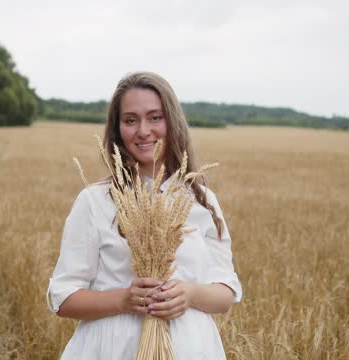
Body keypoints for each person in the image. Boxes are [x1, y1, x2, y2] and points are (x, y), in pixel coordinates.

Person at [46, 71, 242, 359]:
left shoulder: (201, 202)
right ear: (118, 129)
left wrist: (190, 294)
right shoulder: (94, 201)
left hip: (192, 349)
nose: (143, 130)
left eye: (155, 117)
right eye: (130, 120)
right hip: (112, 349)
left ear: (172, 122)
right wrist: (123, 300)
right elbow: (62, 298)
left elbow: (226, 294)